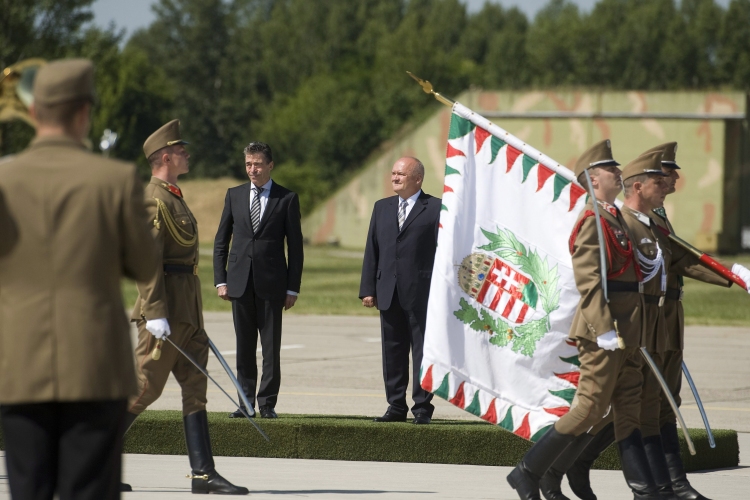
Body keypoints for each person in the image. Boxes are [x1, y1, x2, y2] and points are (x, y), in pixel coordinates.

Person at [0, 58, 158, 499]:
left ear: (33, 112)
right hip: (95, 366)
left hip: (19, 365)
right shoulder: (115, 179)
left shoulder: (4, 179)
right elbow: (146, 265)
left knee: (29, 490)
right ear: (84, 112)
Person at [507, 140, 663, 500]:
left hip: (627, 331)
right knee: (589, 408)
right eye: (612, 170)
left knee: (627, 408)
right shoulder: (593, 222)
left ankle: (645, 491)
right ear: (594, 179)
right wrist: (605, 328)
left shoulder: (613, 219)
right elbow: (590, 281)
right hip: (604, 332)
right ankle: (527, 472)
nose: (619, 173)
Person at [125, 119, 248, 495]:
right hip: (164, 314)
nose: (187, 153)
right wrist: (155, 312)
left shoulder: (173, 196)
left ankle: (203, 474)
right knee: (145, 389)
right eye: (180, 149)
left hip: (187, 312)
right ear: (164, 156)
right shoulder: (153, 198)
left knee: (195, 389)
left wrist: (188, 314)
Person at [213, 141, 304, 419]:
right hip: (239, 283)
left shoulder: (286, 199)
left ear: (270, 165)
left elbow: (296, 248)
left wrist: (292, 287)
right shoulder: (234, 195)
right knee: (244, 348)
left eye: (258, 164)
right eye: (249, 164)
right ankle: (245, 402)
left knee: (270, 349)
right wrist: (221, 280)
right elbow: (221, 242)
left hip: (273, 284)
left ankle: (266, 404)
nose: (253, 169)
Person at [359, 156, 441, 424]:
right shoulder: (381, 207)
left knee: (421, 353)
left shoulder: (436, 208)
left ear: (417, 178)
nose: (394, 178)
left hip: (421, 292)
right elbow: (372, 249)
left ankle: (421, 409)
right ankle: (395, 406)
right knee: (392, 352)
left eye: (401, 174)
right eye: (393, 173)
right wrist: (368, 288)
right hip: (387, 291)